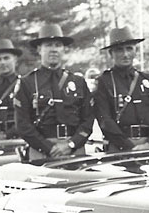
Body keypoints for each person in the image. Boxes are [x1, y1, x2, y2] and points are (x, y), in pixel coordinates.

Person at [14, 24, 94, 160]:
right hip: (42, 150)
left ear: (63, 49)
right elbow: (22, 124)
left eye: (58, 45)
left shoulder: (78, 82)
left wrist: (71, 144)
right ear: (39, 49)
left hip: (75, 149)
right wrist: (48, 148)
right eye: (48, 45)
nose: (53, 50)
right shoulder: (27, 83)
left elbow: (88, 120)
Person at [93, 27, 149, 152]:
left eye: (129, 48)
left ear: (135, 51)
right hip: (119, 147)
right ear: (111, 53)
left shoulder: (148, 80)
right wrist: (128, 146)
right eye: (119, 50)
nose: (125, 54)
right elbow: (105, 119)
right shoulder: (104, 82)